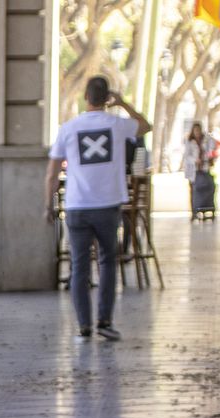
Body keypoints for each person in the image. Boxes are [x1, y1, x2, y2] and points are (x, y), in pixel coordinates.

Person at [44, 76, 152, 341]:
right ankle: (104, 320)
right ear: (107, 99)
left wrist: (47, 204)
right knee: (107, 263)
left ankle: (83, 326)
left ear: (85, 98)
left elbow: (51, 173)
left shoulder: (68, 129)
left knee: (79, 268)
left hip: (77, 207)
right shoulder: (117, 125)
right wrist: (124, 103)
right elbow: (145, 126)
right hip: (107, 206)